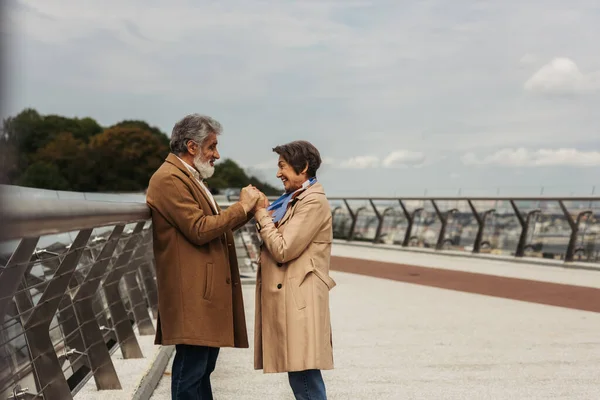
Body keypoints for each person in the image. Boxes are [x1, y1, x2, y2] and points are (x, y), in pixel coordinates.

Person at [146, 113, 260, 400]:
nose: (217, 155)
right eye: (211, 147)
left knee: (202, 368)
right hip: (192, 292)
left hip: (201, 291)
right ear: (192, 146)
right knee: (191, 369)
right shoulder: (169, 178)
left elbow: (214, 226)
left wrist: (247, 211)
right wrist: (241, 207)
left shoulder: (188, 177)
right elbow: (198, 229)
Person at [252, 140, 336, 400]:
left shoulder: (312, 202)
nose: (278, 174)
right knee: (300, 374)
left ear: (304, 167)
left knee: (304, 376)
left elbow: (283, 249)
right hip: (295, 296)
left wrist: (261, 215)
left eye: (283, 166)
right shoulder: (292, 200)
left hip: (300, 299)